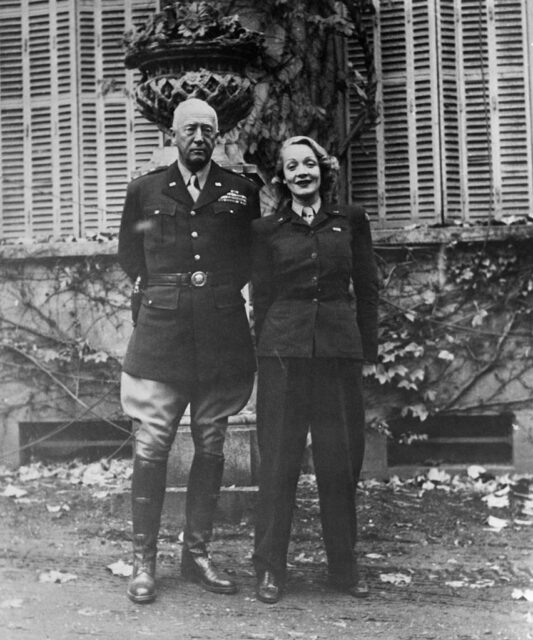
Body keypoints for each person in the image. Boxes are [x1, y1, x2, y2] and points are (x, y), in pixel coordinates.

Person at [118, 98, 260, 603]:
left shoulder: (242, 193)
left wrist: (215, 294)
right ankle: (143, 560)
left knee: (212, 443)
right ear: (172, 136)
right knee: (152, 446)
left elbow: (248, 258)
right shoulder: (145, 190)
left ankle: (196, 554)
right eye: (188, 130)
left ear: (217, 136)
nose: (198, 138)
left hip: (221, 336)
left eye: (207, 130)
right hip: (161, 335)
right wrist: (167, 294)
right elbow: (130, 256)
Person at [250, 136, 379, 604]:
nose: (302, 172)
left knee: (340, 463)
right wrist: (264, 347)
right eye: (291, 166)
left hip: (338, 355)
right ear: (281, 178)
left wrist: (364, 348)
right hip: (283, 356)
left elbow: (366, 287)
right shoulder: (266, 230)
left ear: (324, 171)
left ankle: (343, 569)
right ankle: (270, 570)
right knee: (279, 462)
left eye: (310, 163)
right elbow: (260, 298)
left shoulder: (351, 221)